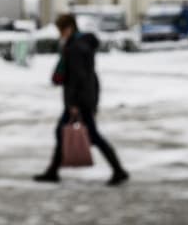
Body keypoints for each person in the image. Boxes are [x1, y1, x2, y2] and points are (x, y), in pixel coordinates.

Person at [34, 13, 129, 186]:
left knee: (91, 136)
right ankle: (53, 171)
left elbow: (78, 78)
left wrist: (73, 104)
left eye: (61, 30)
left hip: (80, 101)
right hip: (84, 98)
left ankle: (118, 170)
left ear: (69, 28)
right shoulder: (79, 45)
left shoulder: (76, 48)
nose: (60, 34)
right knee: (64, 133)